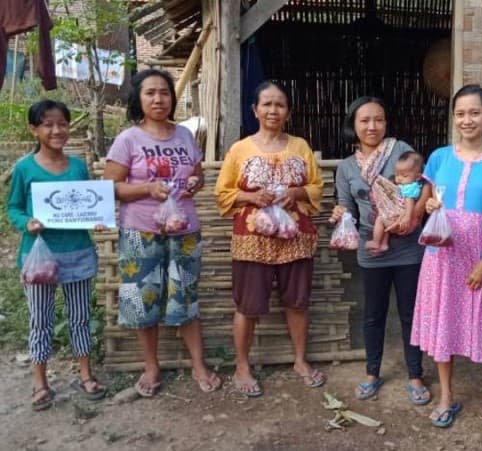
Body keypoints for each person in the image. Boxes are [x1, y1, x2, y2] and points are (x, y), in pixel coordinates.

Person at [411, 84, 482, 430]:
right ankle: (446, 396)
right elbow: (427, 204)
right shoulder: (439, 158)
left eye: (474, 112)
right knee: (444, 321)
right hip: (442, 255)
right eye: (460, 113)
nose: (467, 119)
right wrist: (428, 206)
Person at [103, 69, 220, 397]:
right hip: (140, 232)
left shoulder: (184, 135)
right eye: (150, 93)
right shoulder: (129, 139)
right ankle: (151, 366)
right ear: (138, 99)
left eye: (164, 93)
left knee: (186, 297)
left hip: (184, 229)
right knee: (142, 302)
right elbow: (110, 186)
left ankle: (198, 364)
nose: (158, 99)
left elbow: (197, 176)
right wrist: (146, 188)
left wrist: (196, 183)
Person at [215, 80, 326, 397]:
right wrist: (251, 195)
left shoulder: (300, 147)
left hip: (295, 237)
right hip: (253, 239)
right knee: (247, 305)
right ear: (255, 110)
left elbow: (316, 187)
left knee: (298, 303)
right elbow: (222, 193)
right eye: (267, 104)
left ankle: (300, 361)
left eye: (279, 104)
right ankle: (242, 365)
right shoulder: (240, 150)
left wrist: (298, 191)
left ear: (287, 111)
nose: (273, 110)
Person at [329, 96, 432, 404]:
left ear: (386, 123)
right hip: (371, 247)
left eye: (379, 119)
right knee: (373, 314)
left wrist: (413, 216)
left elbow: (426, 184)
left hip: (408, 247)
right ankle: (372, 372)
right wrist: (340, 214)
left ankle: (415, 374)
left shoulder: (401, 151)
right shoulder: (347, 167)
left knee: (410, 313)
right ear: (354, 125)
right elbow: (347, 205)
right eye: (365, 120)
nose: (372, 126)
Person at [7, 100, 108, 410]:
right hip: (40, 259)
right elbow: (13, 208)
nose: (56, 130)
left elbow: (88, 203)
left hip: (78, 253)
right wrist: (27, 222)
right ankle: (40, 382)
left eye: (62, 123)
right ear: (34, 129)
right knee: (41, 321)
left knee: (80, 318)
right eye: (48, 124)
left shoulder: (78, 166)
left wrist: (98, 218)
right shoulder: (24, 168)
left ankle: (85, 375)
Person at [365, 150, 425, 254]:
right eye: (397, 175)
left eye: (404, 176)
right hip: (399, 216)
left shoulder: (408, 188)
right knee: (385, 223)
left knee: (380, 219)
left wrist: (407, 217)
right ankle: (384, 244)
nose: (399, 178)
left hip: (400, 217)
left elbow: (409, 202)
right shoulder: (412, 185)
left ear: (418, 176)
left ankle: (376, 241)